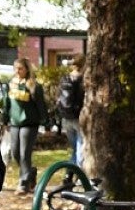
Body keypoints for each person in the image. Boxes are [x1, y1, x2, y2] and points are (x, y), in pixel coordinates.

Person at [5, 57, 46, 195]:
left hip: (29, 123)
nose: (17, 71)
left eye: (20, 68)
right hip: (14, 123)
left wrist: (44, 121)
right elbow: (7, 104)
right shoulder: (11, 84)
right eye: (15, 68)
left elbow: (41, 105)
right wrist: (5, 119)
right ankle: (30, 172)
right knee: (15, 153)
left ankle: (23, 183)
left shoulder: (33, 85)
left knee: (24, 154)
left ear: (27, 69)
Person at [56, 54, 86, 166]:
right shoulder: (83, 79)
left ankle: (69, 173)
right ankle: (78, 173)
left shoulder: (65, 78)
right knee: (80, 148)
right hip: (79, 117)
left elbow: (58, 96)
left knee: (74, 148)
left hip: (66, 117)